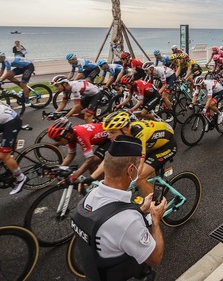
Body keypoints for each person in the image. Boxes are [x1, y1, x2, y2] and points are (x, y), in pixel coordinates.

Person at [71, 134, 166, 281]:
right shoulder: (127, 221)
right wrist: (155, 219)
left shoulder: (90, 197)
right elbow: (155, 258)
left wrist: (141, 211)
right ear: (131, 170)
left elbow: (110, 225)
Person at [99, 111, 177, 197]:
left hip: (167, 145)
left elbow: (141, 160)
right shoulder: (123, 133)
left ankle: (156, 207)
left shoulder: (140, 132)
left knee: (140, 178)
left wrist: (133, 177)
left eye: (112, 132)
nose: (108, 136)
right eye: (108, 132)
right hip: (152, 144)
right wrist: (92, 177)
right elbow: (110, 157)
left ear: (124, 130)